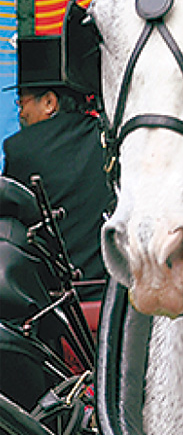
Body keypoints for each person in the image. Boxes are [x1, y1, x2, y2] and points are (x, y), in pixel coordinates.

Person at [2, 35, 109, 282]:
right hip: (111, 298)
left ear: (50, 102)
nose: (21, 113)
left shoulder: (21, 149)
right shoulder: (105, 136)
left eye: (22, 101)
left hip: (56, 303)